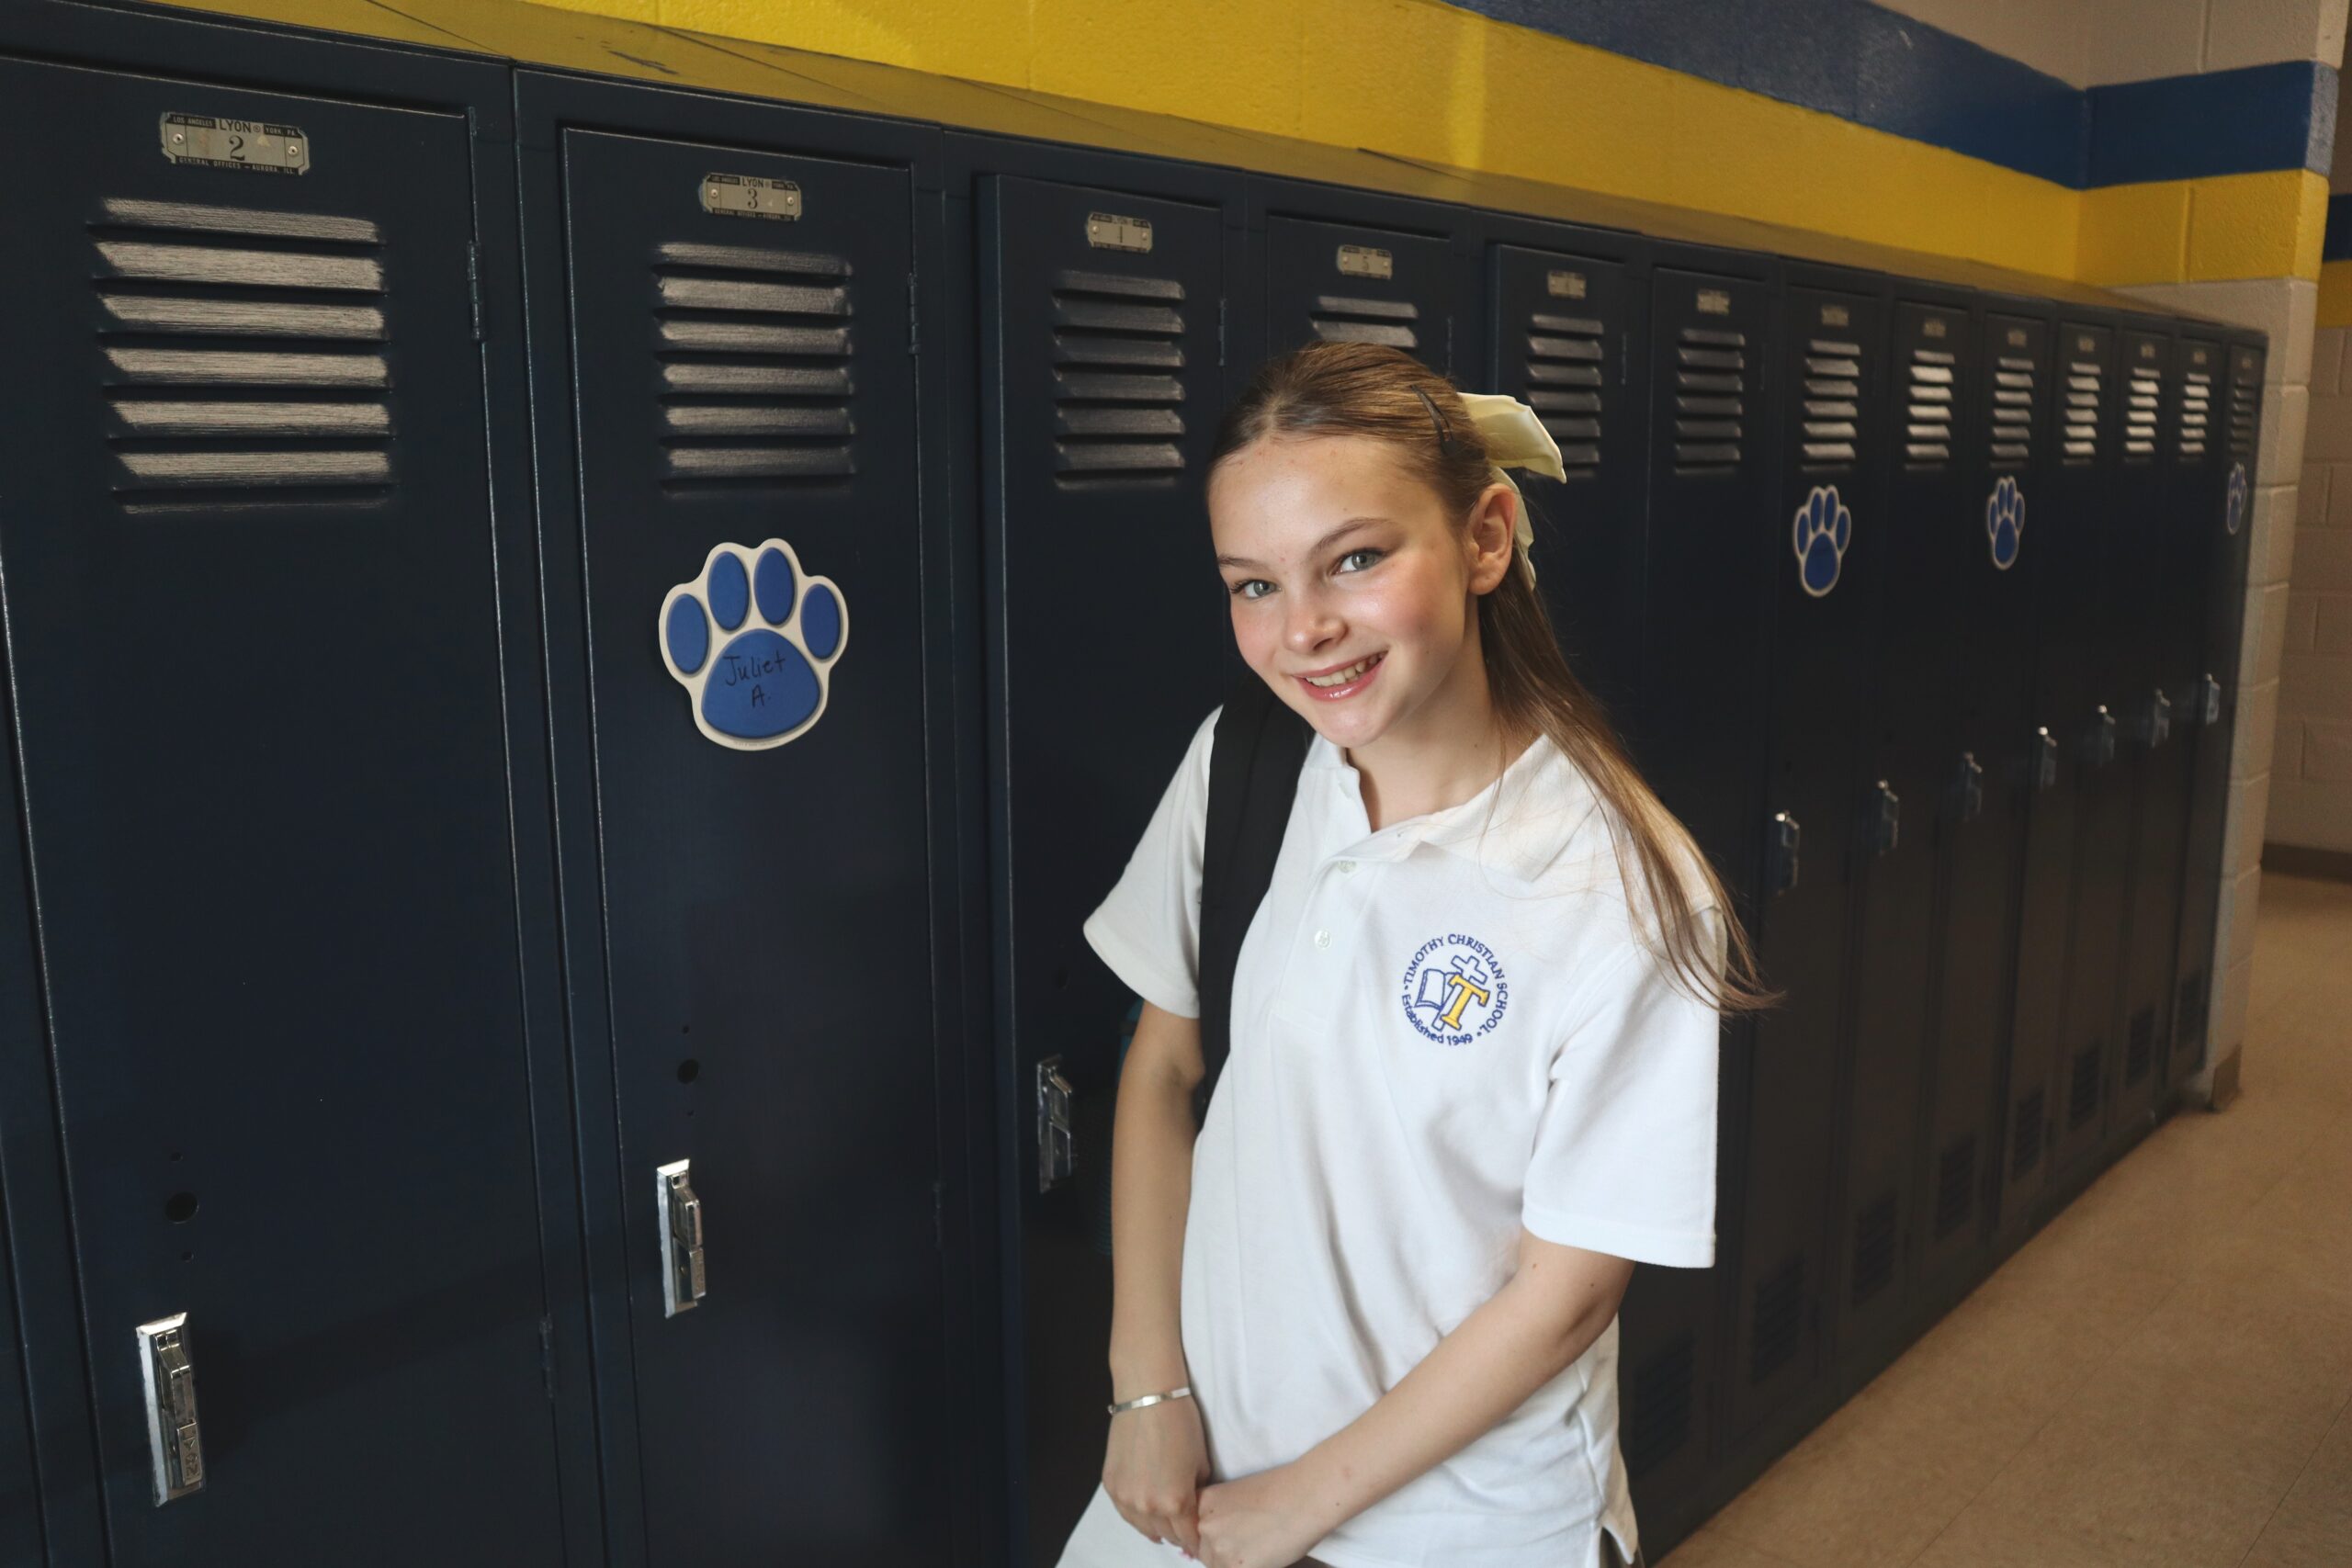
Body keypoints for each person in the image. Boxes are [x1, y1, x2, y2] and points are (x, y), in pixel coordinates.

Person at [1055, 343, 1770, 1568]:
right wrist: (1147, 1387)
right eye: (1253, 585)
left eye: (1359, 558)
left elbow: (1569, 1293)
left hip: (1464, 1529)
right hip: (1202, 1475)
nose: (1305, 630)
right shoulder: (1247, 768)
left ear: (1486, 538)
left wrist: (1299, 1507)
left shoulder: (1617, 884)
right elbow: (1167, 1069)